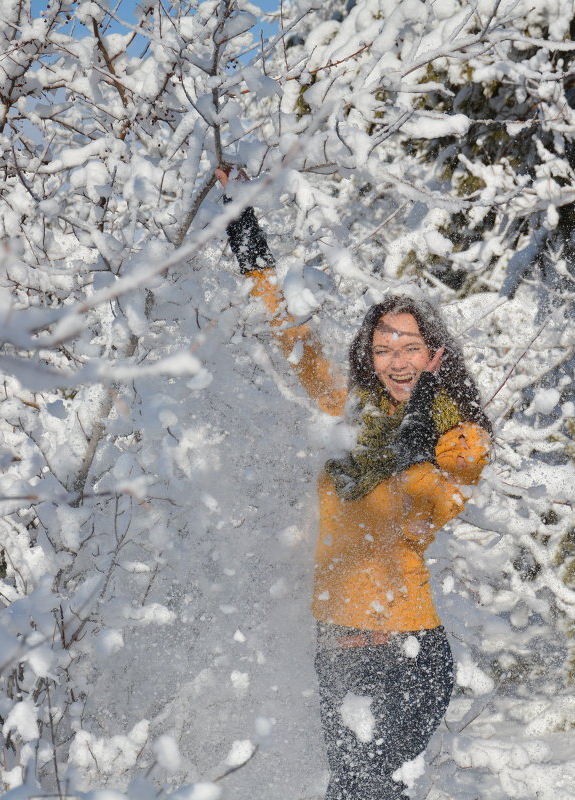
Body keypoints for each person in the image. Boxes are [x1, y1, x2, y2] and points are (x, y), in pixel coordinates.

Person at [215, 169, 492, 800]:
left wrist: (425, 411)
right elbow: (293, 337)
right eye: (383, 348)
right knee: (349, 790)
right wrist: (246, 235)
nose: (396, 360)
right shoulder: (347, 414)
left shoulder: (456, 438)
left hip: (410, 654)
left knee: (372, 793)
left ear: (433, 356)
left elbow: (465, 462)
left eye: (411, 347)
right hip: (337, 649)